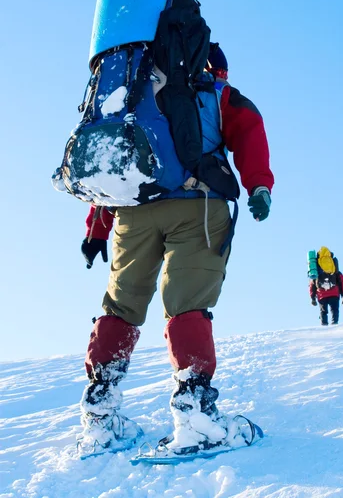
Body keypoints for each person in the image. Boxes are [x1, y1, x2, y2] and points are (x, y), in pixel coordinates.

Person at [79, 44, 274, 454]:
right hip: (198, 205)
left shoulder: (132, 93)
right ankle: (196, 414)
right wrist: (258, 185)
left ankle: (100, 414)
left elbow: (116, 162)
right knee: (186, 302)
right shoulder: (216, 92)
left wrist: (98, 229)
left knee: (121, 304)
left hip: (133, 212)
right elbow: (250, 130)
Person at [309, 246, 343, 325]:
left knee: (323, 311)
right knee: (334, 310)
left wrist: (312, 298)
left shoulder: (316, 269)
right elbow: (342, 282)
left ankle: (324, 325)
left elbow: (312, 284)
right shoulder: (334, 268)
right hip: (334, 292)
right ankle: (334, 323)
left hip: (321, 294)